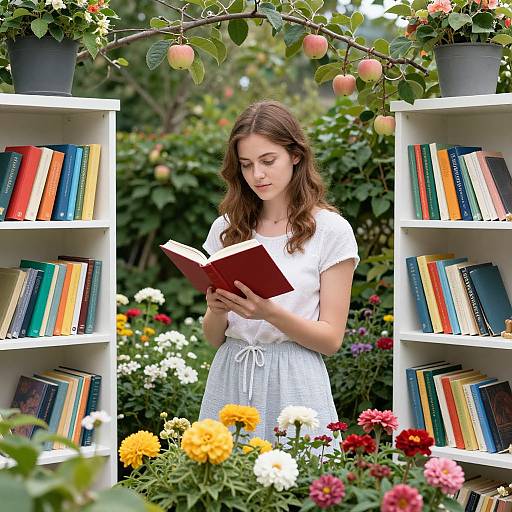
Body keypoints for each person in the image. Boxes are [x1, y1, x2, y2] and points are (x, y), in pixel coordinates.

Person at [199, 100, 359, 443]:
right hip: (230, 375)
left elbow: (331, 339)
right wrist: (215, 309)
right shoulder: (227, 229)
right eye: (246, 165)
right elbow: (213, 338)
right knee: (223, 488)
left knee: (296, 486)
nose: (257, 174)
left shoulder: (330, 231)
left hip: (295, 381)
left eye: (268, 161)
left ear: (295, 155)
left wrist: (269, 312)